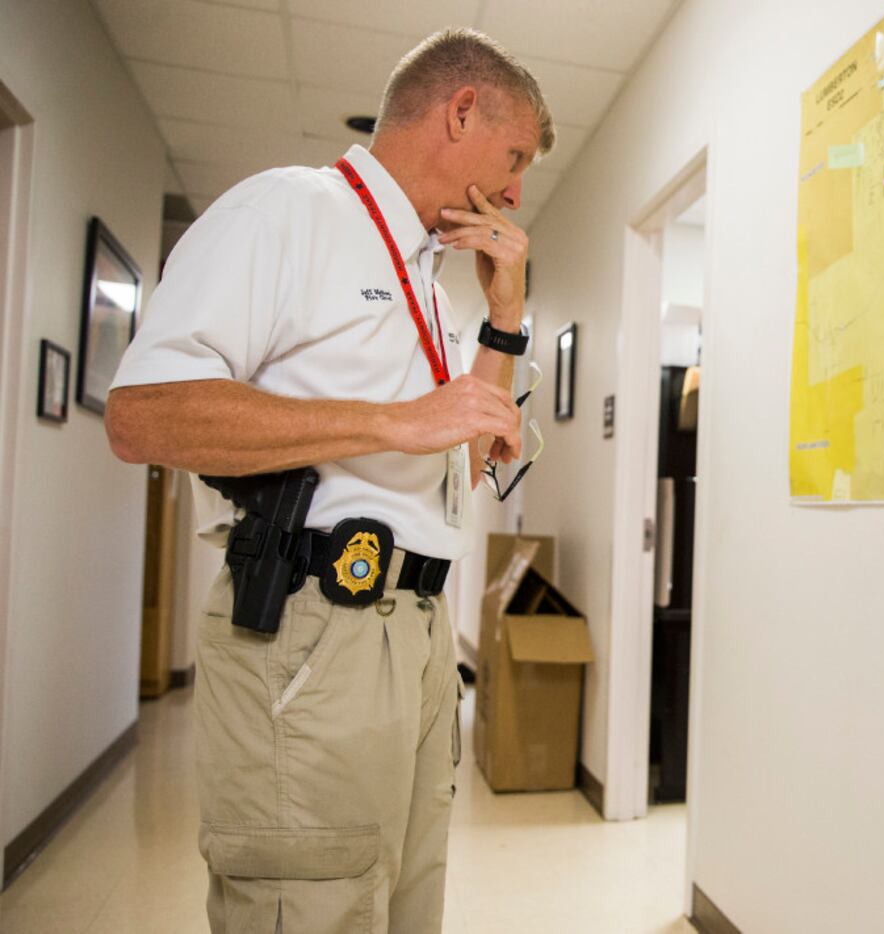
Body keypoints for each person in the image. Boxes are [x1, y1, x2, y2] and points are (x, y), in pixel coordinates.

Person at [104, 27, 555, 933]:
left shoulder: (428, 275)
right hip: (316, 629)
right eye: (514, 158)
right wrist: (390, 420)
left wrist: (502, 320)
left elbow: (459, 462)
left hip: (417, 640)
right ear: (460, 109)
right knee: (312, 906)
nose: (514, 192)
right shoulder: (289, 211)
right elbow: (141, 414)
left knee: (403, 899)